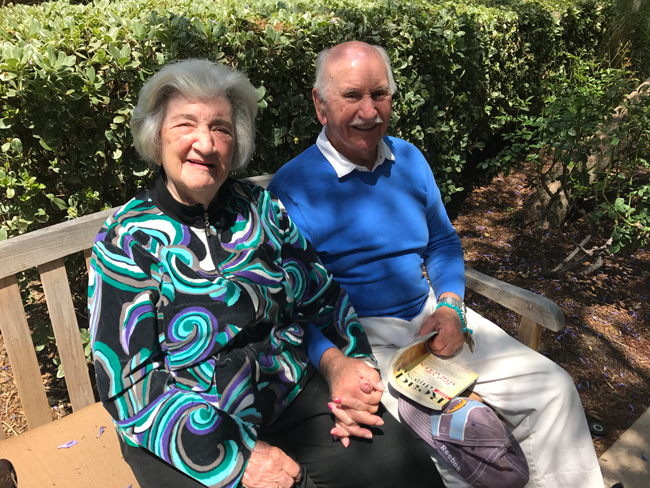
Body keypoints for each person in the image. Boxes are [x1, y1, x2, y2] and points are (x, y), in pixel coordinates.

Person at [88, 59, 444, 488]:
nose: (205, 143)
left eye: (220, 127)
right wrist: (238, 457)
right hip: (180, 425)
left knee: (410, 472)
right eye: (185, 125)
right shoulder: (126, 240)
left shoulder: (260, 209)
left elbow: (322, 298)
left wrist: (351, 370)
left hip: (288, 392)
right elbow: (129, 382)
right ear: (156, 135)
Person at [268, 41, 604, 488]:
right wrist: (334, 364)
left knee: (554, 390)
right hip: (361, 338)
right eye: (352, 96)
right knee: (455, 444)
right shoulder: (292, 191)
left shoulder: (407, 158)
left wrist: (450, 304)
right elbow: (285, 305)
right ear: (320, 105)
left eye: (380, 94)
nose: (369, 111)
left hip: (433, 314)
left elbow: (442, 241)